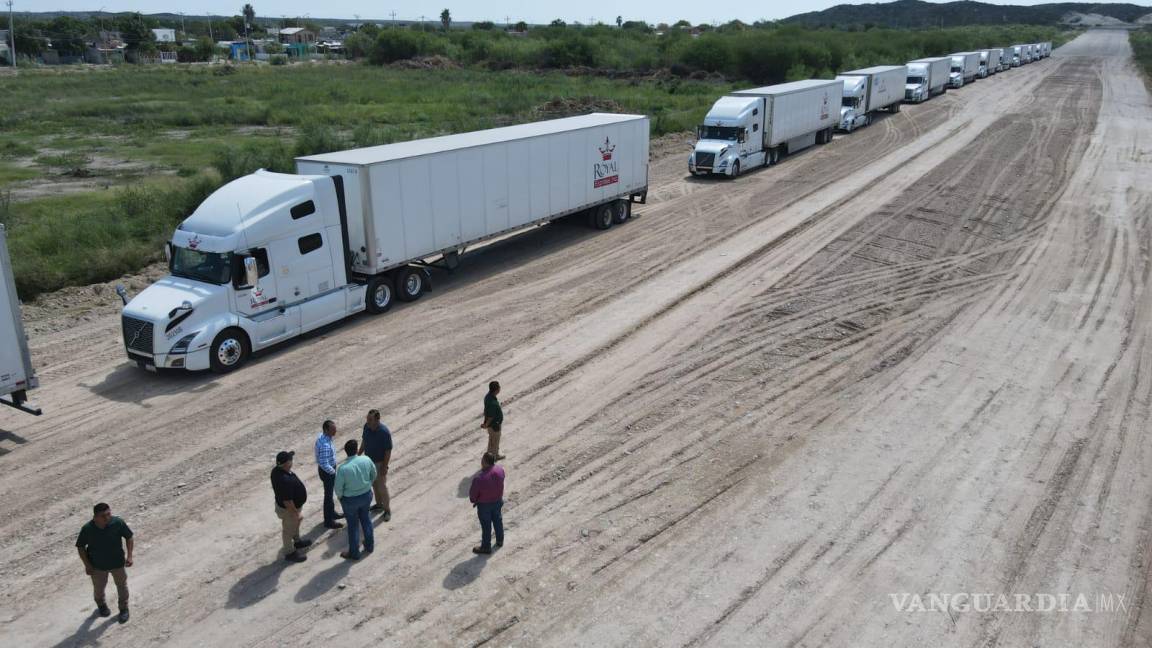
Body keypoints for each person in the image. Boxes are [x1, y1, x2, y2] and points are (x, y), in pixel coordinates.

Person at [75, 503, 134, 623]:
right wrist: (87, 565)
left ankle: (124, 609)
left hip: (117, 563)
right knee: (99, 588)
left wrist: (130, 556)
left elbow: (129, 537)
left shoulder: (117, 523)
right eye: (103, 516)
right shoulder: (88, 529)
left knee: (122, 586)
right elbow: (80, 547)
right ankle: (101, 605)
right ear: (95, 517)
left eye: (108, 514)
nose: (107, 518)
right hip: (97, 567)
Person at [334, 439, 377, 560]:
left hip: (350, 501)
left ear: (346, 452)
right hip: (366, 495)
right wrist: (368, 485)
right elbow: (374, 474)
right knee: (366, 520)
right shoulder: (366, 459)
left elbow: (338, 488)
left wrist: (341, 498)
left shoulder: (343, 469)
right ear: (357, 449)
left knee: (353, 526)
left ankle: (354, 553)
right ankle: (369, 546)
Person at [270, 450, 312, 564]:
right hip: (289, 510)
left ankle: (297, 541)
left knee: (294, 525)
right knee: (288, 530)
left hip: (290, 507)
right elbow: (288, 502)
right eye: (290, 459)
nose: (292, 461)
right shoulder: (284, 480)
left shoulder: (277, 471)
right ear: (286, 463)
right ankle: (289, 552)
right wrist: (296, 514)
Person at [469, 452, 505, 555]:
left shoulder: (479, 479)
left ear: (484, 462)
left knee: (486, 526)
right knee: (498, 520)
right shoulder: (500, 470)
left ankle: (486, 547)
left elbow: (472, 497)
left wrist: (476, 500)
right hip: (498, 501)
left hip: (484, 506)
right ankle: (500, 540)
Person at [361, 409, 393, 521]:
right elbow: (364, 441)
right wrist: (358, 453)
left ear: (377, 420)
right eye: (367, 419)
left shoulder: (384, 432)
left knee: (382, 487)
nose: (368, 422)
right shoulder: (366, 427)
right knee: (374, 485)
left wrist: (384, 466)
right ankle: (379, 505)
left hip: (379, 464)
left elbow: (388, 451)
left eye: (370, 420)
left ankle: (387, 510)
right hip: (368, 463)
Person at [315, 420, 344, 530]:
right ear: (326, 430)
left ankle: (332, 513)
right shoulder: (325, 445)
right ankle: (328, 521)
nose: (335, 430)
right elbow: (324, 463)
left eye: (335, 428)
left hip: (325, 470)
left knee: (330, 494)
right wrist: (334, 473)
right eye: (333, 429)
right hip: (327, 472)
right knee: (328, 496)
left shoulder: (322, 436)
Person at [481, 381, 505, 460]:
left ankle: (491, 455)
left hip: (491, 425)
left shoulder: (487, 397)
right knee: (495, 441)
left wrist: (485, 423)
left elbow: (486, 411)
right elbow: (491, 416)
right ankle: (494, 458)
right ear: (496, 390)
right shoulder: (493, 403)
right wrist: (486, 424)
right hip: (494, 425)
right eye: (499, 387)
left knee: (492, 441)